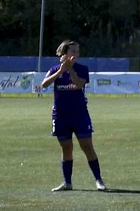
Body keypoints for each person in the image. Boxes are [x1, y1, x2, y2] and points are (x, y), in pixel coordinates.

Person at [38, 40, 104, 192]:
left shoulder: (82, 69)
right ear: (65, 53)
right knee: (66, 148)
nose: (76, 54)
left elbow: (79, 84)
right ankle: (67, 182)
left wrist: (70, 70)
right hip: (61, 115)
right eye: (73, 51)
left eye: (77, 51)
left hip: (79, 114)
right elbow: (45, 84)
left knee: (87, 147)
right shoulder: (55, 69)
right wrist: (61, 71)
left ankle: (99, 180)